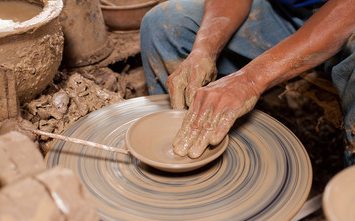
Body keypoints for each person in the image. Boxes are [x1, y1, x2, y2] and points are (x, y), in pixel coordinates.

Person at [140, 0, 355, 166]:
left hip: (344, 14)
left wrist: (250, 80)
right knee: (162, 25)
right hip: (281, 12)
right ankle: (183, 141)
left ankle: (345, 206)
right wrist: (203, 50)